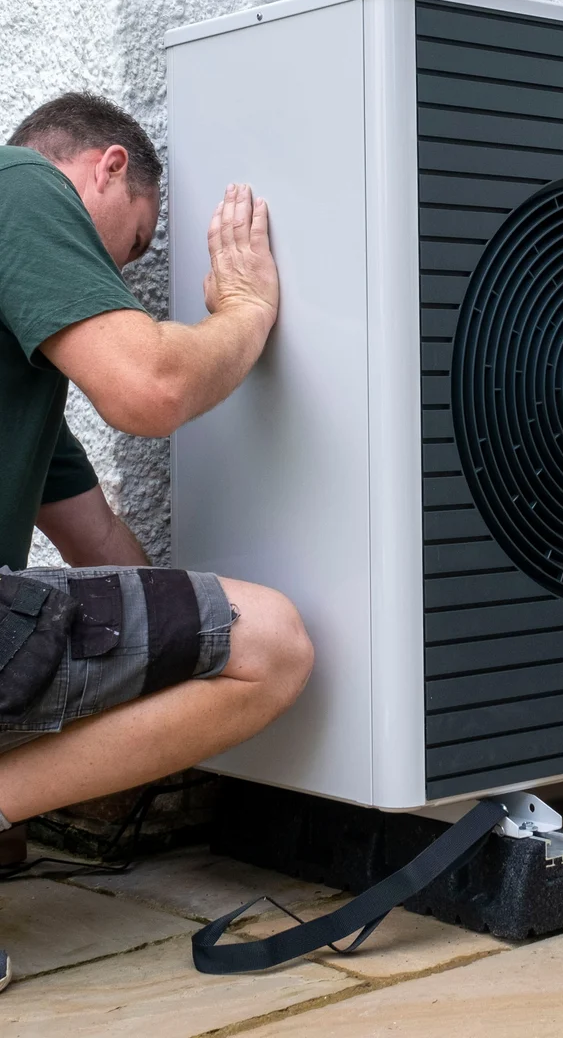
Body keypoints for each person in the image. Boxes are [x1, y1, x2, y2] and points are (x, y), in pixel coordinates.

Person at [0, 93, 314, 987]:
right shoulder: (21, 184)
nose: (126, 276)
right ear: (104, 168)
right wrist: (247, 313)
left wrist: (177, 662)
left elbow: (100, 541)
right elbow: (149, 391)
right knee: (273, 644)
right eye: (135, 243)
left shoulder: (23, 396)